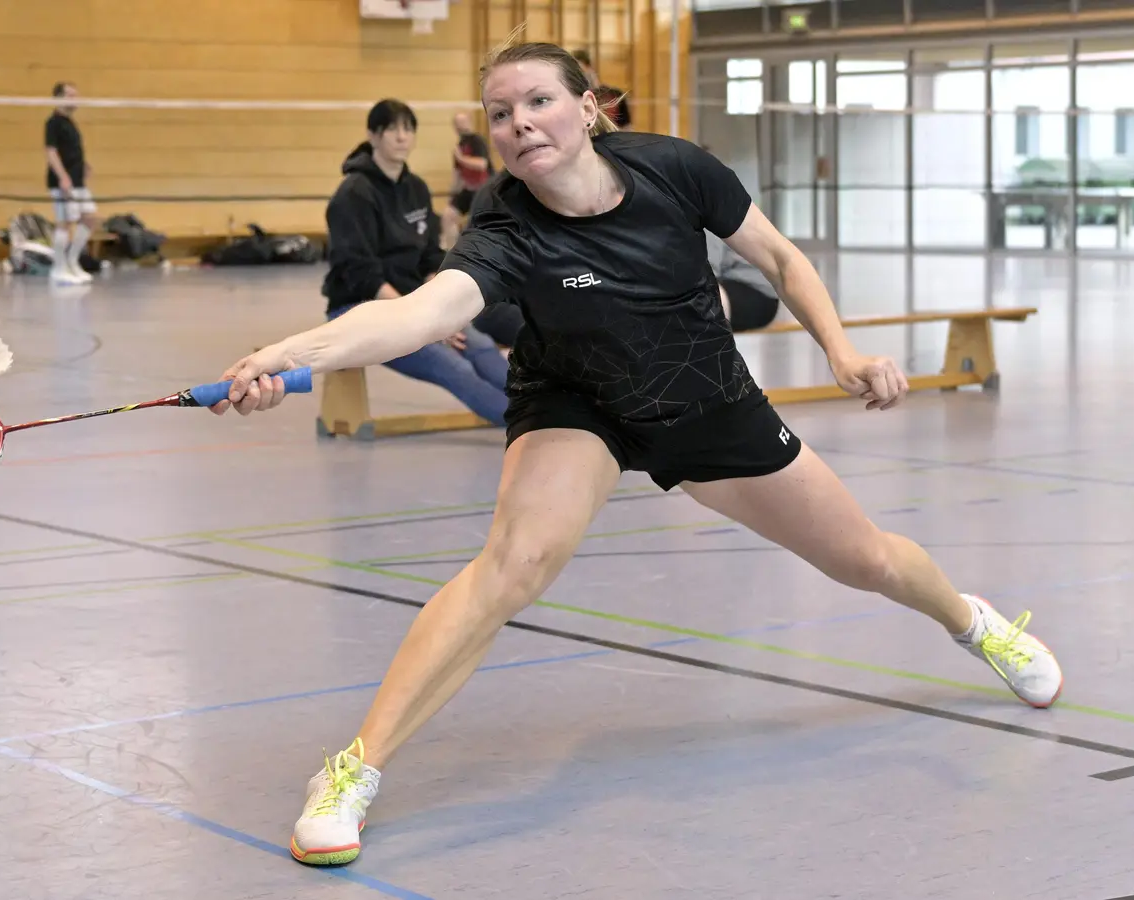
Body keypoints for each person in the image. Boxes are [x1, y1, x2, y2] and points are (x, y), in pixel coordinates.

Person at [213, 38, 1063, 867]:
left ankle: (974, 623)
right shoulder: (505, 221)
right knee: (511, 566)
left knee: (867, 559)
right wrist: (290, 355)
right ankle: (353, 771)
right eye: (500, 113)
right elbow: (420, 315)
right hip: (576, 402)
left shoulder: (675, 168)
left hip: (704, 398)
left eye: (539, 102)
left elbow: (775, 256)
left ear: (588, 109)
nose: (519, 124)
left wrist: (839, 351)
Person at [321, 99, 509, 426]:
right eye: (392, 129)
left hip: (413, 305)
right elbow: (360, 272)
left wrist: (441, 309)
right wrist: (420, 322)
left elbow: (430, 257)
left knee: (479, 346)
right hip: (361, 308)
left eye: (408, 129)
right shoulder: (353, 194)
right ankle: (529, 426)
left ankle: (547, 411)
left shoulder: (416, 189)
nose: (401, 137)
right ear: (373, 135)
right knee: (455, 367)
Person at [44, 81, 97, 286]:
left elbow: (71, 150)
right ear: (58, 98)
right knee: (64, 223)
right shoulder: (53, 122)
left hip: (79, 180)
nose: (75, 100)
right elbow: (51, 151)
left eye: (76, 95)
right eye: (70, 95)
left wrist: (83, 164)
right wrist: (63, 176)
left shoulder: (70, 122)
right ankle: (58, 267)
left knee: (89, 219)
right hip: (63, 182)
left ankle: (73, 261)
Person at [441, 112, 494, 250]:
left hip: (483, 190)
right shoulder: (459, 145)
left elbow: (481, 164)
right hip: (468, 190)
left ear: (469, 122)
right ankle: (450, 253)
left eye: (462, 122)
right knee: (448, 216)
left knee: (476, 225)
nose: (459, 126)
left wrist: (461, 158)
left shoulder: (477, 140)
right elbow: (458, 174)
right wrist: (453, 195)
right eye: (456, 123)